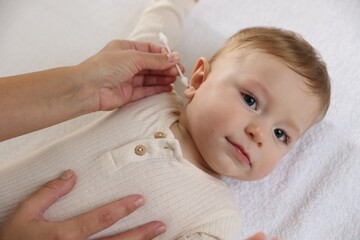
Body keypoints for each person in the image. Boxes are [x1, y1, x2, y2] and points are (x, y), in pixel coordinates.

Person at [0, 0, 330, 239]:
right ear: (199, 80)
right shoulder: (149, 92)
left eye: (281, 135)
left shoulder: (217, 216)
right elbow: (154, 37)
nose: (259, 133)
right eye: (250, 100)